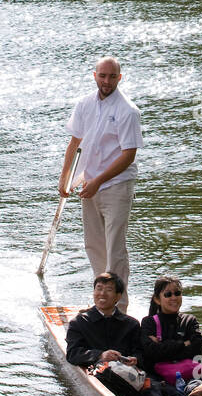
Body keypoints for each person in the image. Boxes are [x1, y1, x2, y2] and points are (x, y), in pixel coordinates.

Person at [60, 57, 142, 313]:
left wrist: (98, 181)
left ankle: (120, 307)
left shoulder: (128, 111)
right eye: (102, 76)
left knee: (114, 247)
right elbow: (75, 143)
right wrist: (65, 179)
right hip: (90, 184)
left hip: (116, 185)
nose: (106, 81)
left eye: (112, 77)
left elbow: (128, 155)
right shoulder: (85, 104)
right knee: (94, 244)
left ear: (119, 78)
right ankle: (101, 301)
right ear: (94, 75)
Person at [65, 272, 147, 396]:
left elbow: (140, 352)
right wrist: (101, 355)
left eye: (108, 290)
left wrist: (135, 359)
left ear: (118, 296)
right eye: (99, 288)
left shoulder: (131, 324)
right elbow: (73, 354)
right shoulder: (79, 322)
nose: (102, 294)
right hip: (101, 376)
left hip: (127, 376)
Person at [139, 276, 202, 396]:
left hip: (190, 376)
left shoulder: (190, 320)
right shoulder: (148, 322)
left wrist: (163, 347)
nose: (173, 297)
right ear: (157, 299)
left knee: (197, 389)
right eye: (168, 294)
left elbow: (197, 349)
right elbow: (150, 353)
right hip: (159, 379)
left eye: (177, 293)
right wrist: (183, 344)